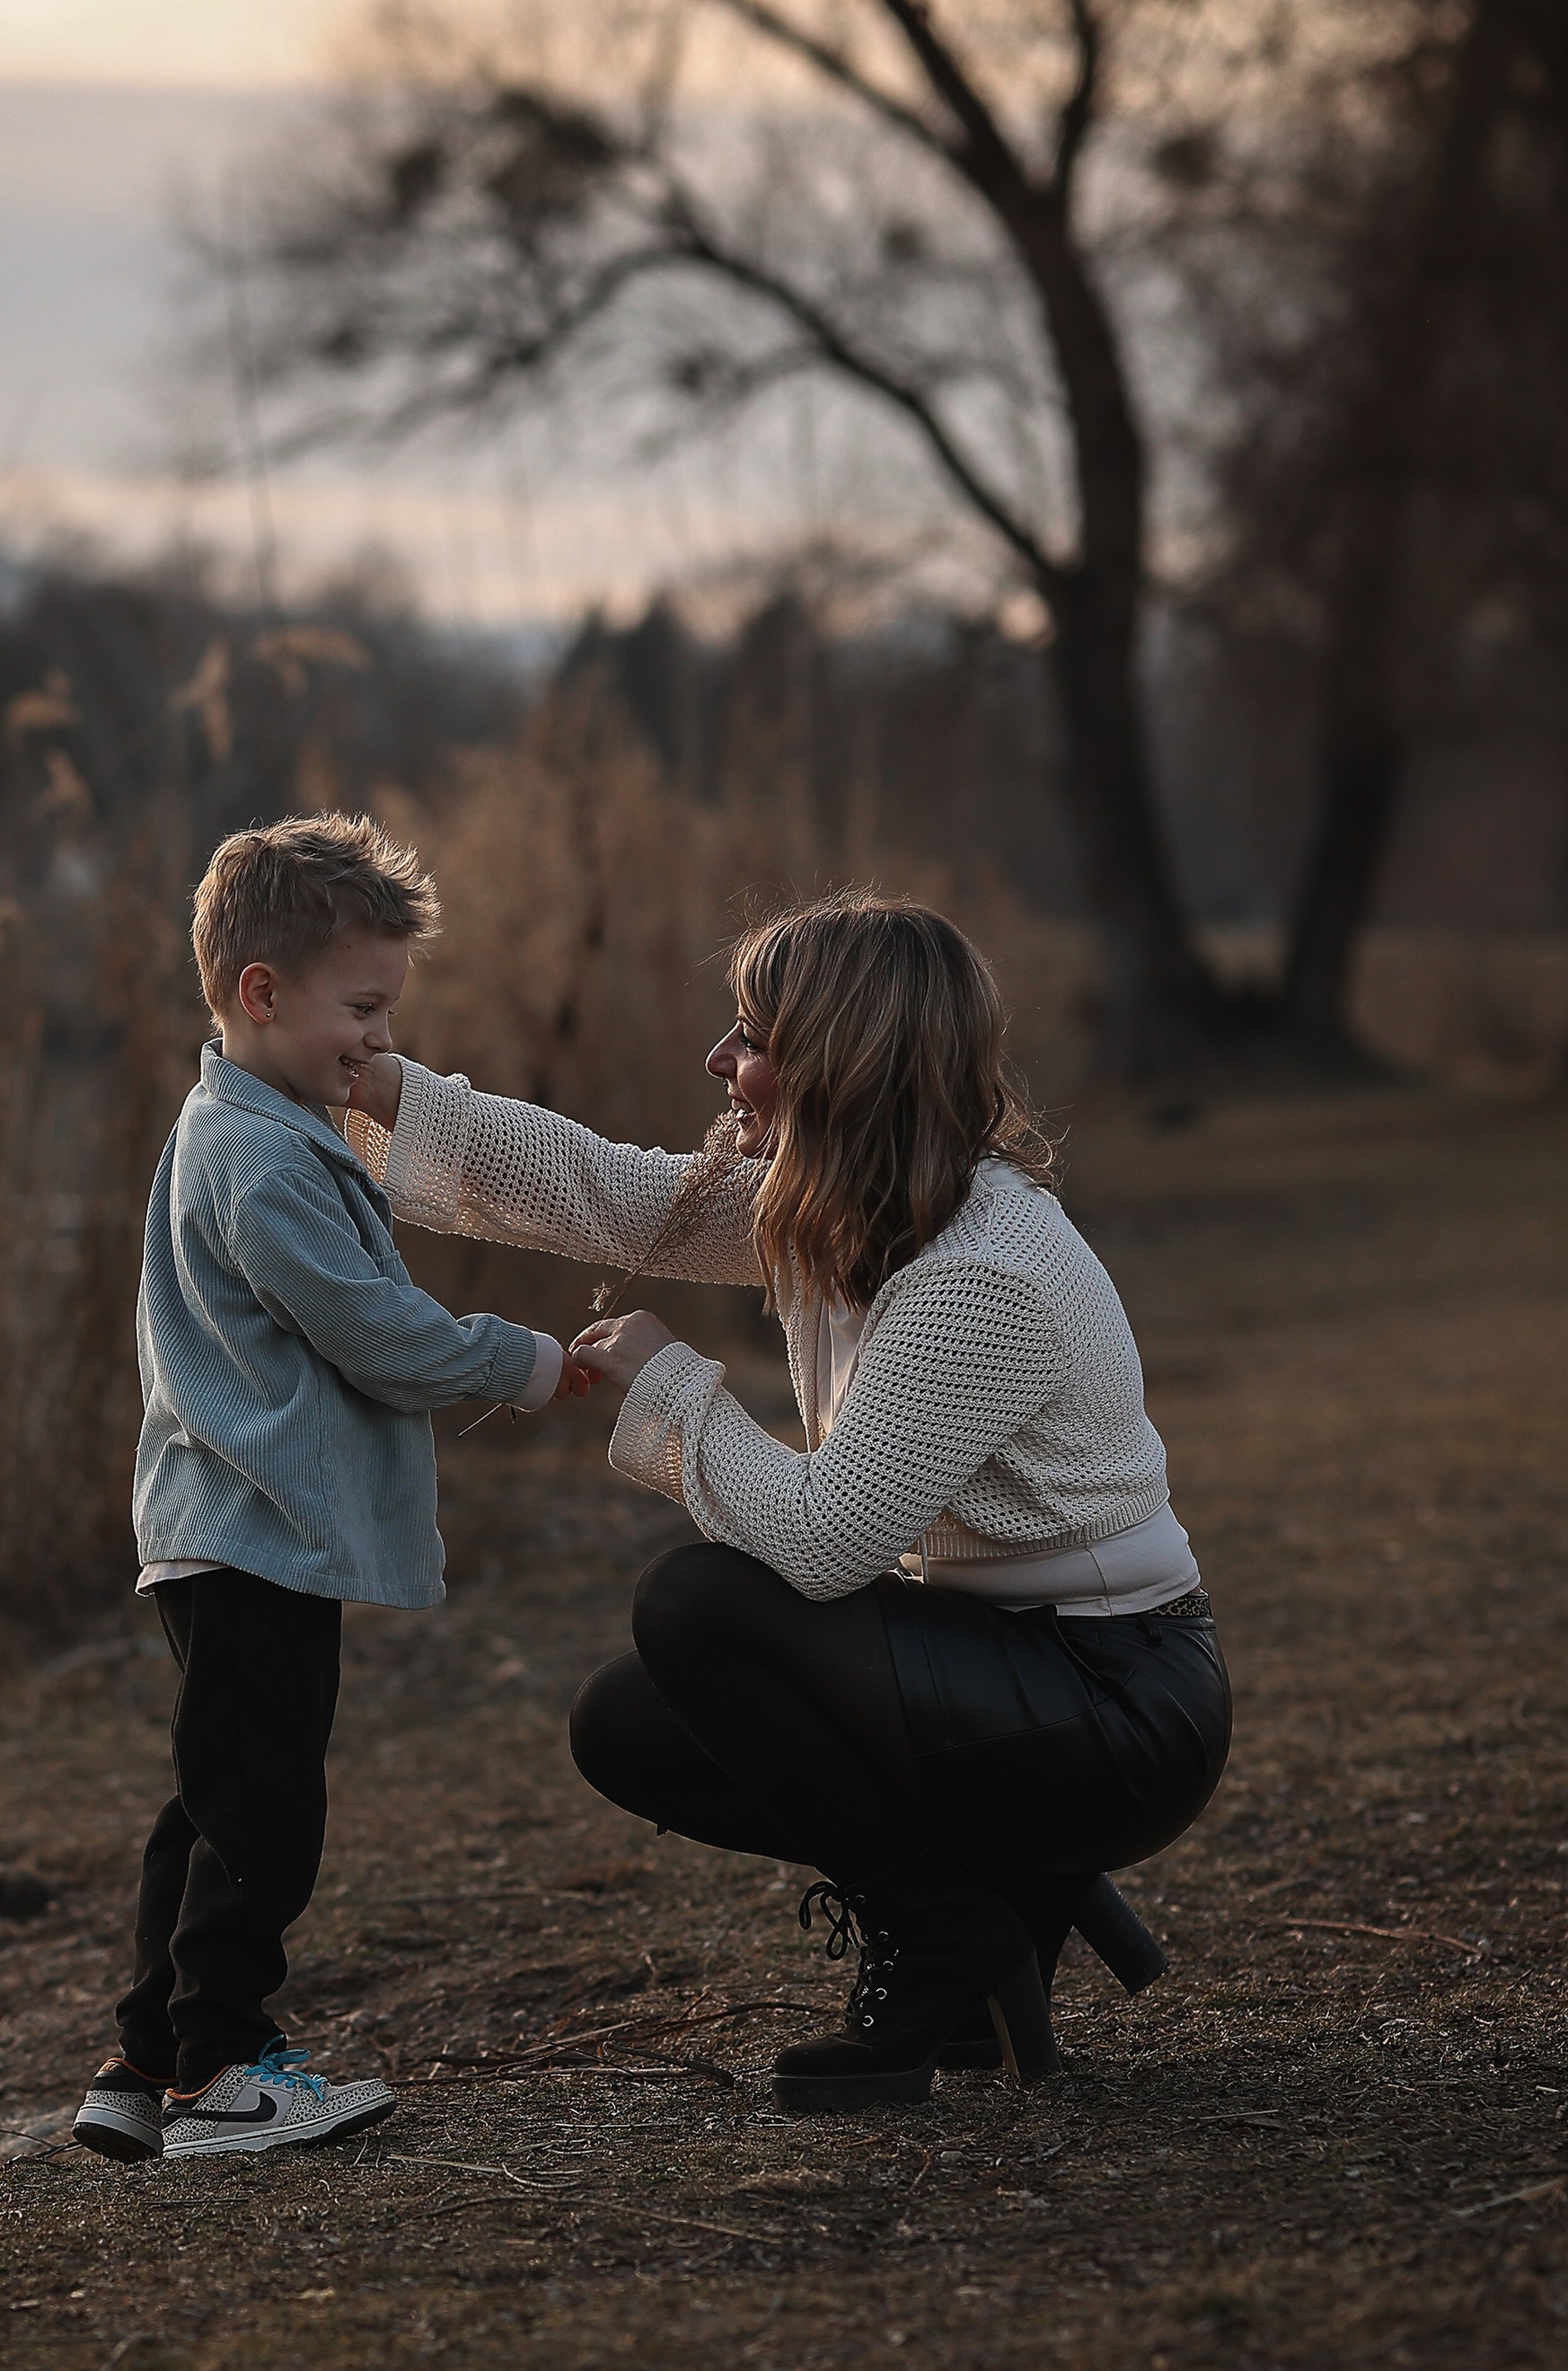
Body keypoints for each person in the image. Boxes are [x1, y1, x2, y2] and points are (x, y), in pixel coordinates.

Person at [345, 893, 1231, 2111]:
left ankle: (938, 1935)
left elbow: (824, 1542)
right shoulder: (845, 1203)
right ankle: (993, 1904)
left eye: (752, 1035)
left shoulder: (982, 1270)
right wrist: (381, 1091)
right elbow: (606, 1192)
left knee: (701, 1603)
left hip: (1115, 1701)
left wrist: (669, 1380)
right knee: (629, 1724)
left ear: (843, 1067)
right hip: (1007, 1663)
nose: (721, 1061)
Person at [73, 814, 582, 2164]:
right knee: (264, 1816)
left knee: (207, 1803)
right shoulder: (260, 1158)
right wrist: (524, 1364)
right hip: (254, 1531)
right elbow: (377, 1329)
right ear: (262, 993)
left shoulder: (248, 1125)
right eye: (361, 1011)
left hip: (221, 1525)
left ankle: (146, 2057)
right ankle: (223, 2071)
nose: (379, 1043)